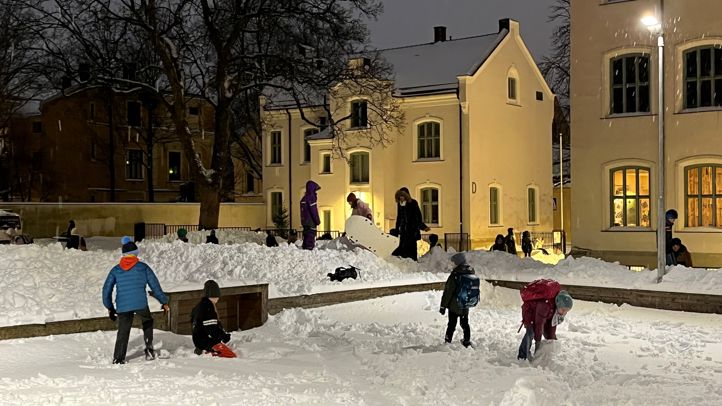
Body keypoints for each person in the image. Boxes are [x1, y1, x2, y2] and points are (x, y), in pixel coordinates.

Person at [102, 236, 170, 364]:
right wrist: (164, 301)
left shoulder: (116, 270)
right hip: (140, 304)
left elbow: (106, 290)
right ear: (135, 254)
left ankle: (118, 358)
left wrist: (110, 307)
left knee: (123, 331)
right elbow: (155, 286)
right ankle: (149, 350)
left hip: (123, 305)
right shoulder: (143, 267)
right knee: (147, 321)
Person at [517, 284, 573, 361]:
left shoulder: (556, 309)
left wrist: (551, 339)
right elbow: (539, 325)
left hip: (542, 315)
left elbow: (552, 325)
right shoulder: (545, 305)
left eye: (567, 310)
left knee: (550, 336)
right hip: (530, 312)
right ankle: (522, 356)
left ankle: (546, 356)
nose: (564, 312)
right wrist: (538, 344)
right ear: (558, 304)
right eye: (563, 310)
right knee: (531, 332)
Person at [191, 280, 236, 358]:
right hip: (207, 341)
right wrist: (223, 336)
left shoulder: (200, 306)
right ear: (214, 294)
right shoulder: (208, 307)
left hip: (199, 340)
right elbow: (211, 328)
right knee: (231, 357)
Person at [439, 253, 475, 348]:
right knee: (465, 323)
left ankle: (448, 341)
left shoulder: (455, 274)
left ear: (458, 262)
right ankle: (466, 340)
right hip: (465, 303)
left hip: (454, 305)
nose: (453, 264)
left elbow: (448, 292)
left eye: (454, 262)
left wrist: (443, 306)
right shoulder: (470, 272)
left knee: (451, 324)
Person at [394, 188, 430, 261]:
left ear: (406, 196)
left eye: (402, 196)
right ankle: (403, 261)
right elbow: (399, 217)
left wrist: (422, 226)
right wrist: (397, 229)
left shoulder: (413, 203)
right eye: (400, 196)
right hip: (403, 231)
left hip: (412, 230)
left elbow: (417, 216)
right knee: (402, 247)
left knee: (411, 247)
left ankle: (412, 262)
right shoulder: (399, 204)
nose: (401, 197)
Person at [300, 180, 321, 250]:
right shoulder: (311, 199)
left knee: (306, 237)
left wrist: (302, 221)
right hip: (311, 222)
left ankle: (305, 248)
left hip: (305, 222)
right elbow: (314, 211)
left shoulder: (303, 199)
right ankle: (309, 249)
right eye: (315, 190)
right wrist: (317, 221)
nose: (316, 192)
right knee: (310, 238)